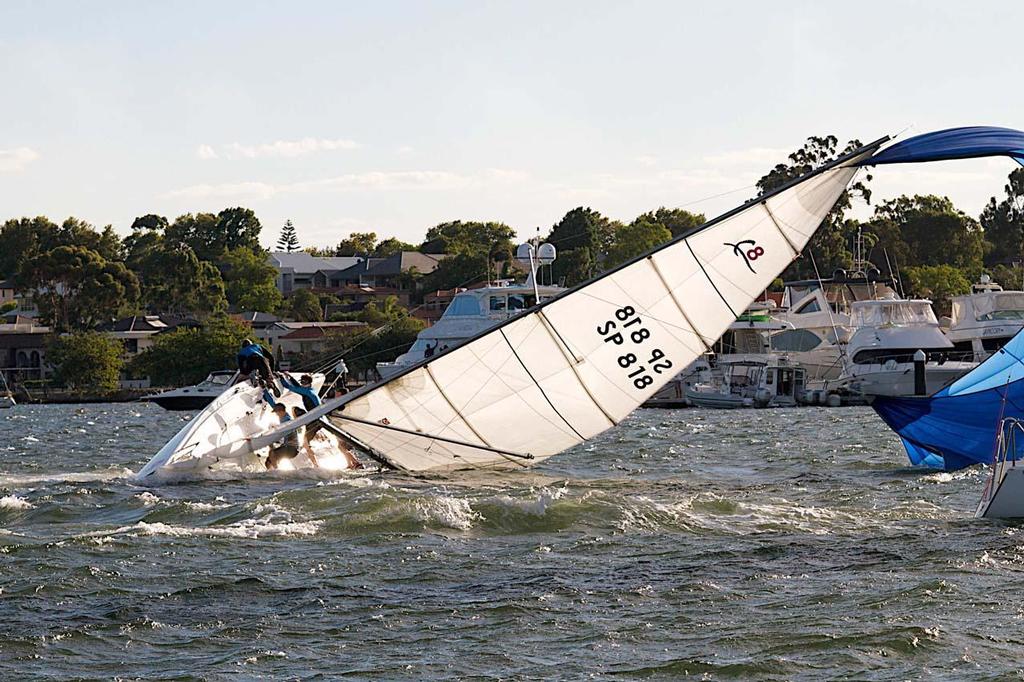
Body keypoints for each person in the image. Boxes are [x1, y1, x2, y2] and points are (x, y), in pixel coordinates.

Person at [265, 403, 300, 469]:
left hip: (291, 448)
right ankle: (274, 470)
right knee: (269, 460)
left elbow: (285, 432)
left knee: (272, 453)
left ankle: (276, 472)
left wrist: (274, 432)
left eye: (277, 413)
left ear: (280, 411)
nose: (276, 414)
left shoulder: (286, 420)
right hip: (289, 447)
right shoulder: (284, 418)